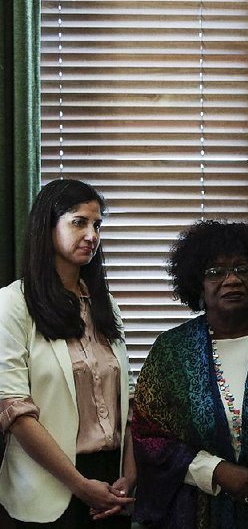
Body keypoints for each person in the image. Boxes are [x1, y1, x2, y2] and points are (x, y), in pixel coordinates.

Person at [131, 220, 248, 528]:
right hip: (192, 512)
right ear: (197, 282)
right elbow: (149, 436)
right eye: (215, 272)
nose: (232, 280)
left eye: (244, 269)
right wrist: (216, 471)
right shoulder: (172, 349)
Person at [0, 179, 135, 526]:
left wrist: (129, 477)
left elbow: (127, 404)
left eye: (97, 224)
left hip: (110, 486)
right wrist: (79, 484)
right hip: (48, 487)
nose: (92, 234)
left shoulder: (107, 307)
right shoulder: (13, 304)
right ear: (47, 227)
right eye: (79, 222)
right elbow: (14, 412)